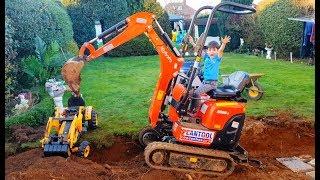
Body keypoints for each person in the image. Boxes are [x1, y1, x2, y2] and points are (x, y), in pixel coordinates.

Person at [188, 35, 231, 113]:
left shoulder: (217, 59)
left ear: (217, 51)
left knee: (197, 93)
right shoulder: (206, 57)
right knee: (193, 92)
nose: (212, 51)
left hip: (212, 83)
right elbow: (199, 50)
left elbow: (221, 50)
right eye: (210, 50)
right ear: (207, 51)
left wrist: (224, 44)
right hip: (205, 82)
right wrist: (193, 43)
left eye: (214, 50)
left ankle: (196, 110)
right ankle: (191, 109)